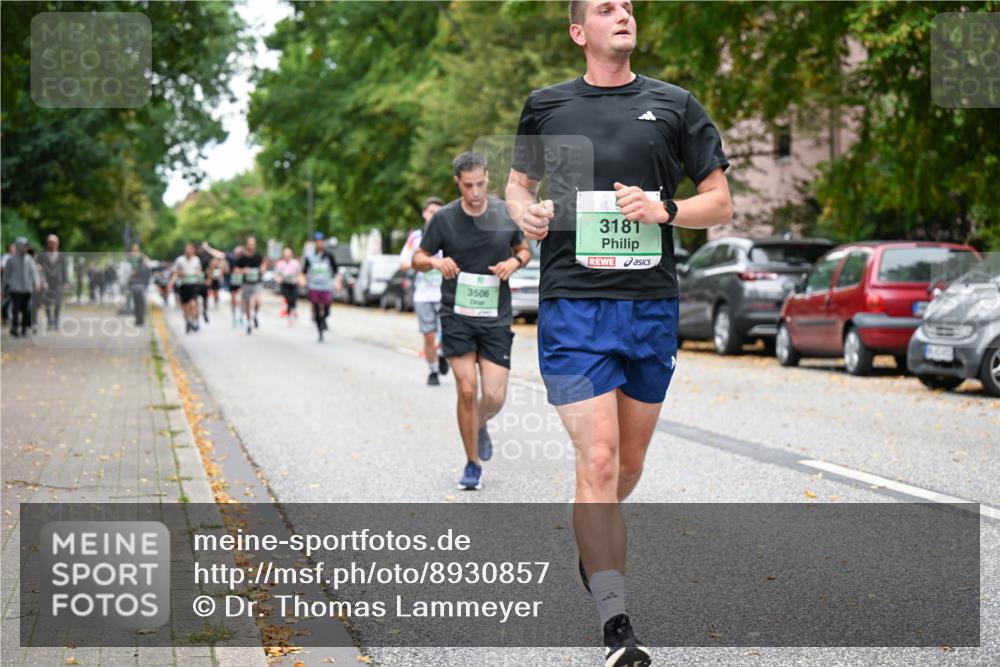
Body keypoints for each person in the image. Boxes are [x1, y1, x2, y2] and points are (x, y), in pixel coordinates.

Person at [505, 2, 733, 665]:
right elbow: (517, 188)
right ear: (580, 32)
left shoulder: (674, 105)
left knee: (623, 467)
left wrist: (666, 208)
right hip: (574, 304)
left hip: (650, 305)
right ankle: (617, 624)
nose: (623, 13)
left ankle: (591, 521)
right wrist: (531, 216)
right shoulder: (546, 107)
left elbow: (719, 201)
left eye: (628, 6)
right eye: (606, 8)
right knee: (599, 459)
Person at [412, 151, 531, 491]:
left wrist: (515, 263)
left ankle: (478, 425)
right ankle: (471, 464)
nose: (475, 192)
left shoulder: (502, 212)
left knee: (493, 396)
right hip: (457, 313)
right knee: (467, 389)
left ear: (487, 179)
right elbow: (418, 257)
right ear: (457, 184)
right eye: (468, 186)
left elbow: (522, 250)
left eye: (480, 184)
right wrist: (436, 264)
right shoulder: (444, 219)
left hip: (495, 315)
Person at [400, 197, 450, 385]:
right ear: (424, 213)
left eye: (438, 212)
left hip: (445, 294)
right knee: (429, 335)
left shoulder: (450, 234)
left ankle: (443, 353)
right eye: (431, 212)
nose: (434, 215)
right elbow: (403, 263)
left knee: (448, 334)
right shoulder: (416, 237)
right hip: (423, 294)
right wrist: (421, 263)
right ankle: (433, 371)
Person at [302, 233, 338, 342]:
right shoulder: (310, 256)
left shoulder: (329, 255)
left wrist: (336, 281)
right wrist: (304, 280)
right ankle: (320, 332)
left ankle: (324, 319)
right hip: (314, 286)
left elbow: (335, 270)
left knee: (327, 308)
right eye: (317, 242)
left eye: (321, 242)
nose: (319, 244)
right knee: (316, 308)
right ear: (315, 243)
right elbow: (304, 271)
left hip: (326, 286)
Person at [3, 238, 42, 337]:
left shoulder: (28, 259)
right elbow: (6, 276)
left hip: (27, 289)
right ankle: (15, 328)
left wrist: (36, 283)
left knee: (26, 310)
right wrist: (2, 289)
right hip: (15, 289)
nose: (26, 248)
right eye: (24, 246)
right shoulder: (11, 260)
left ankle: (25, 329)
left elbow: (34, 273)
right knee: (15, 309)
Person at [170, 243, 205, 333]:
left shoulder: (196, 260)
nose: (188, 251)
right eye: (187, 250)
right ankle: (188, 321)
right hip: (183, 285)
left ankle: (194, 321)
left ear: (193, 251)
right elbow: (175, 272)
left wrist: (197, 274)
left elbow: (199, 271)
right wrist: (171, 282)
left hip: (193, 285)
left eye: (190, 250)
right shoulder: (179, 260)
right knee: (185, 306)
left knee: (193, 304)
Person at [36, 234, 68, 330]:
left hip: (58, 283)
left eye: (54, 243)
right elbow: (38, 270)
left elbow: (64, 270)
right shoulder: (42, 256)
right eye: (50, 243)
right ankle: (50, 322)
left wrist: (66, 282)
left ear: (57, 244)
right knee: (47, 303)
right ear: (47, 244)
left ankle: (56, 322)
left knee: (58, 302)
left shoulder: (61, 256)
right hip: (46, 283)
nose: (52, 245)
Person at [235, 236, 266, 335]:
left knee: (258, 301)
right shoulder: (242, 257)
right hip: (246, 283)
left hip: (257, 282)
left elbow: (263, 264)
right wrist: (243, 270)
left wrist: (262, 269)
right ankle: (249, 323)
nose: (251, 246)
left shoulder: (258, 255)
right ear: (246, 245)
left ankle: (255, 315)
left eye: (253, 244)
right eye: (249, 244)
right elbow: (235, 270)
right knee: (248, 304)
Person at [274, 247, 301, 326]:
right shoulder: (280, 263)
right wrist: (278, 279)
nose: (287, 256)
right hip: (285, 284)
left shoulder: (295, 263)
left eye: (288, 254)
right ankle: (289, 316)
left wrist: (298, 279)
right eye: (286, 254)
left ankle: (293, 310)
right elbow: (276, 274)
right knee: (288, 299)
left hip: (293, 284)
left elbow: (299, 273)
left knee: (294, 298)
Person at [127, 243, 152, 326]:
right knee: (141, 304)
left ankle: (139, 319)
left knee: (137, 304)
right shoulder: (145, 268)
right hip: (141, 287)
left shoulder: (136, 270)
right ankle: (140, 319)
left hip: (137, 287)